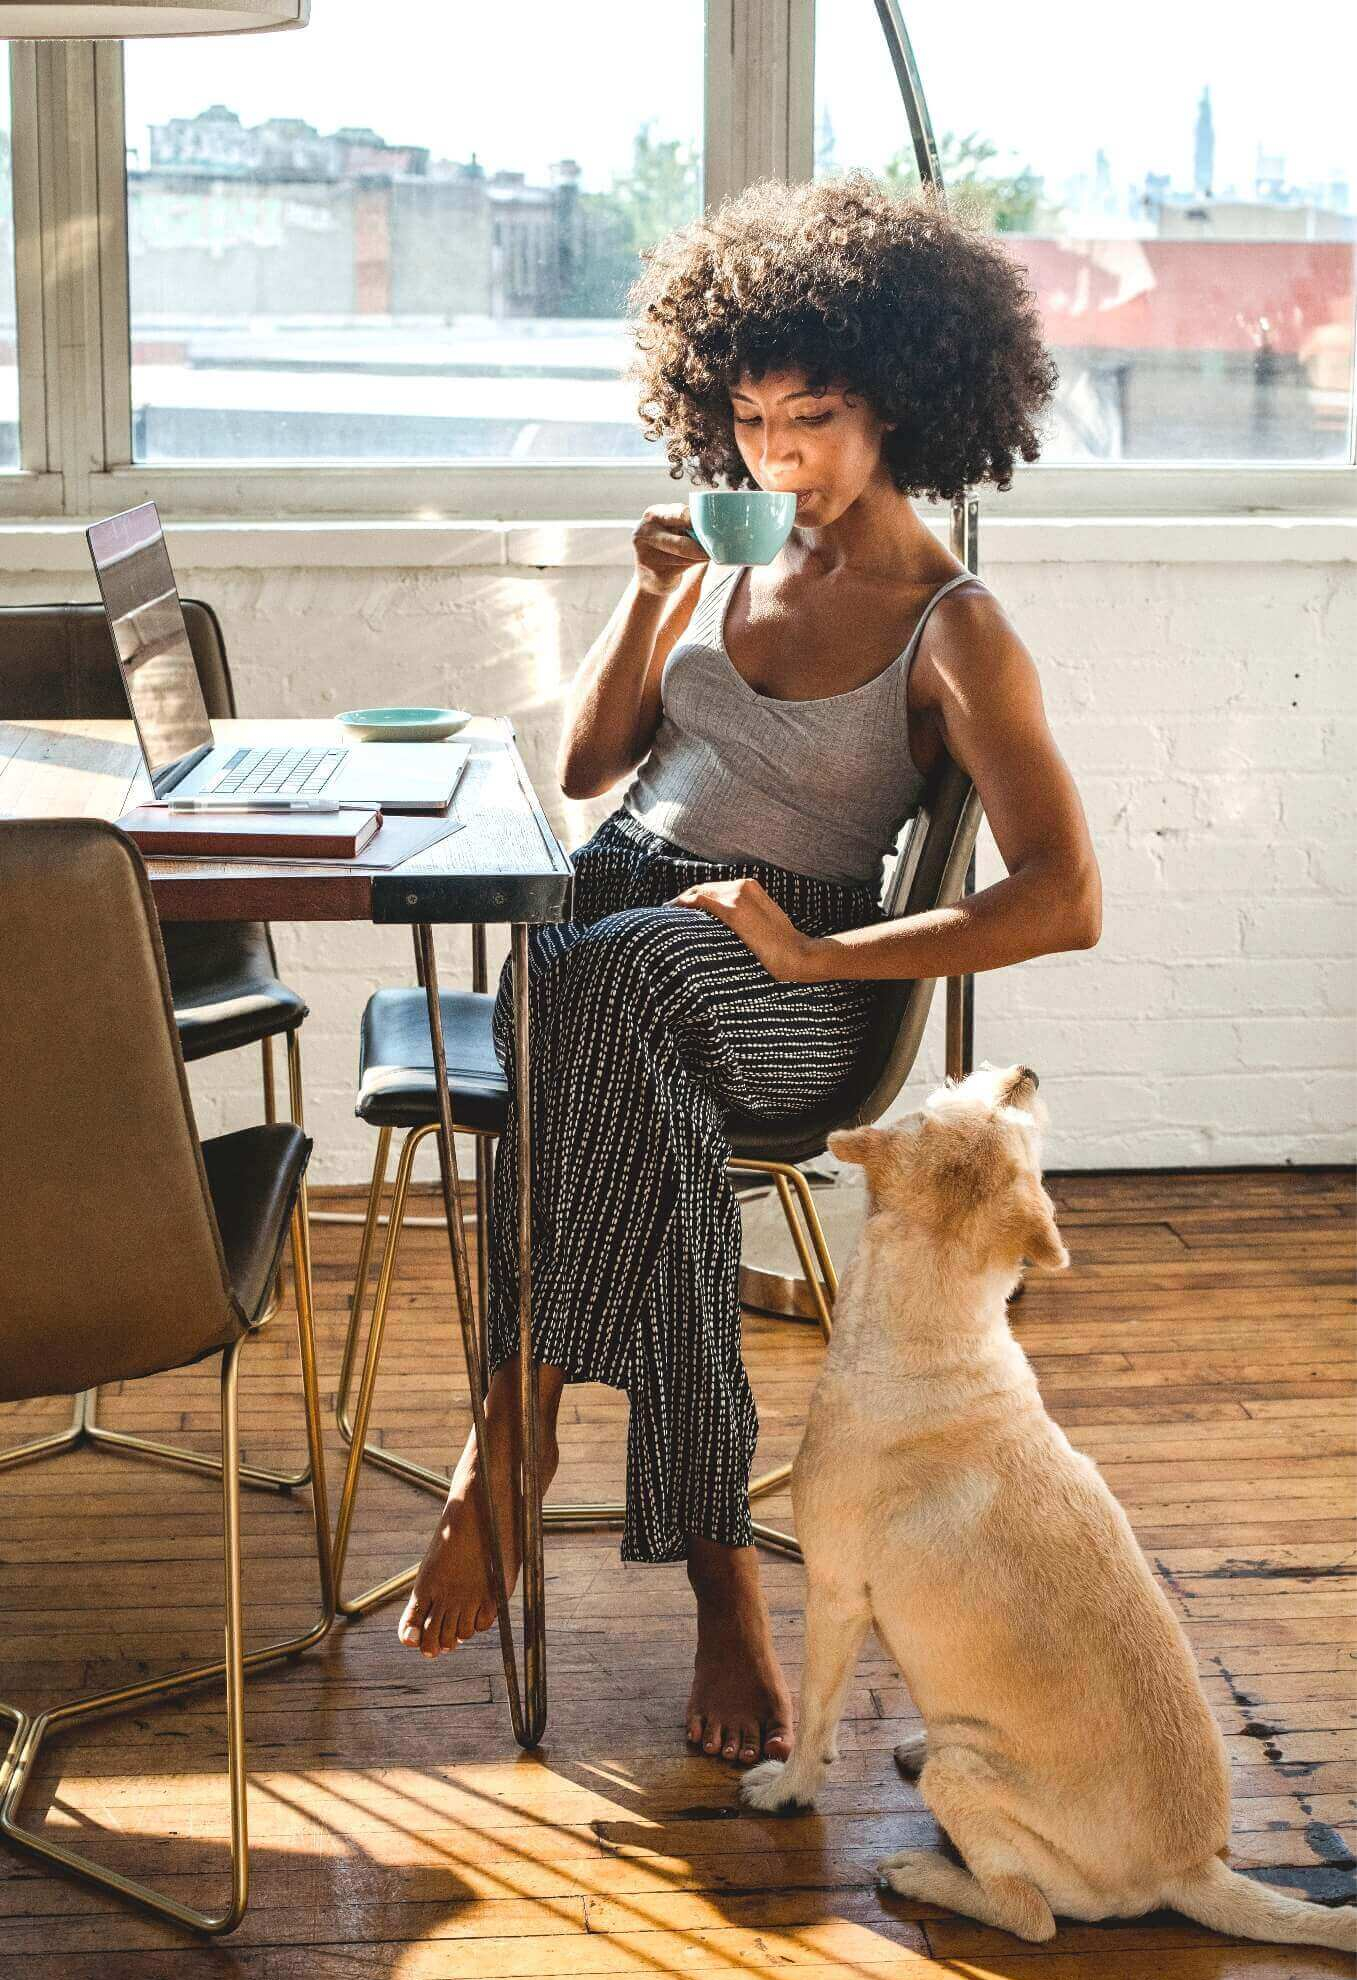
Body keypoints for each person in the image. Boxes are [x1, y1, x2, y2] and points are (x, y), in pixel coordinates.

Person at [397, 172, 1103, 1768]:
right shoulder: (714, 563)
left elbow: (1062, 899)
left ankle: (511, 1439)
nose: (775, 454)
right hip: (622, 934)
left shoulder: (953, 625)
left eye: (815, 417)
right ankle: (717, 1581)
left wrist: (815, 944)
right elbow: (586, 773)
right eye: (751, 420)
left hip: (790, 976)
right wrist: (647, 603)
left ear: (904, 406)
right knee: (601, 1002)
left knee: (601, 993)